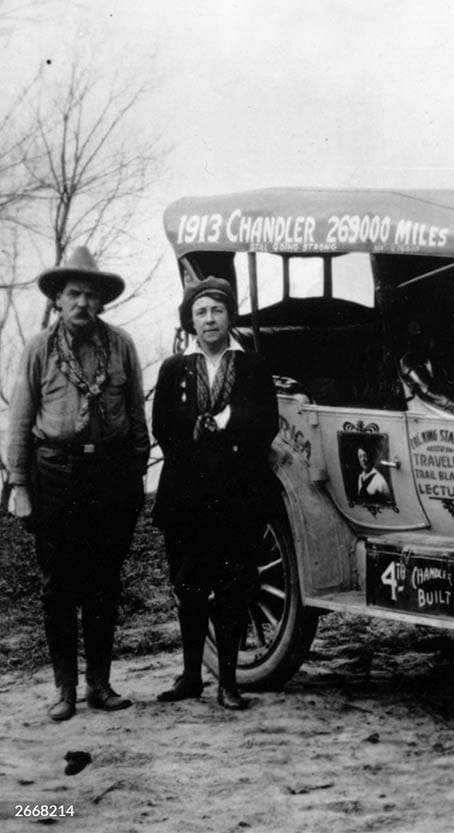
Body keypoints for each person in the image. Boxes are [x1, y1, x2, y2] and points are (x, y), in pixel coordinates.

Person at [5, 247, 149, 721]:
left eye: (90, 295)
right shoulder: (39, 349)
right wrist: (20, 485)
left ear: (101, 302)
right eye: (73, 294)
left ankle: (99, 686)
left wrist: (134, 476)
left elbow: (135, 416)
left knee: (105, 583)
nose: (82, 303)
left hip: (110, 477)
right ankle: (64, 690)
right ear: (58, 300)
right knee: (58, 586)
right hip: (55, 476)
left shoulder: (121, 345)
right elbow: (22, 421)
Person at [151, 275, 278, 711]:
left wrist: (226, 426)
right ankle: (190, 677)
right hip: (186, 496)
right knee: (189, 585)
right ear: (191, 319)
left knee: (232, 587)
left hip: (238, 495)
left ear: (229, 316)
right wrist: (196, 435)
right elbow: (162, 429)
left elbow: (267, 424)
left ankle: (228, 682)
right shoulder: (173, 370)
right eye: (201, 312)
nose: (209, 319)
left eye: (217, 310)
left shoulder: (254, 367)